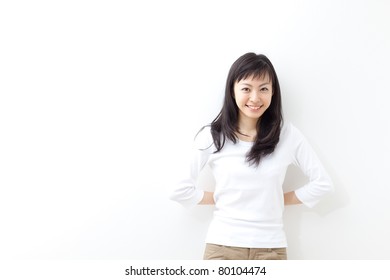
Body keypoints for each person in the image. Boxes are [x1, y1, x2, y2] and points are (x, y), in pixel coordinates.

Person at [170, 52, 334, 260]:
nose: (255, 98)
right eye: (246, 88)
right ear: (233, 90)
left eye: (264, 89)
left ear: (273, 92)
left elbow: (323, 184)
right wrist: (225, 196)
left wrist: (274, 198)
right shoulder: (213, 136)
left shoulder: (288, 136)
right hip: (222, 248)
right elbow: (178, 190)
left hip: (271, 249)